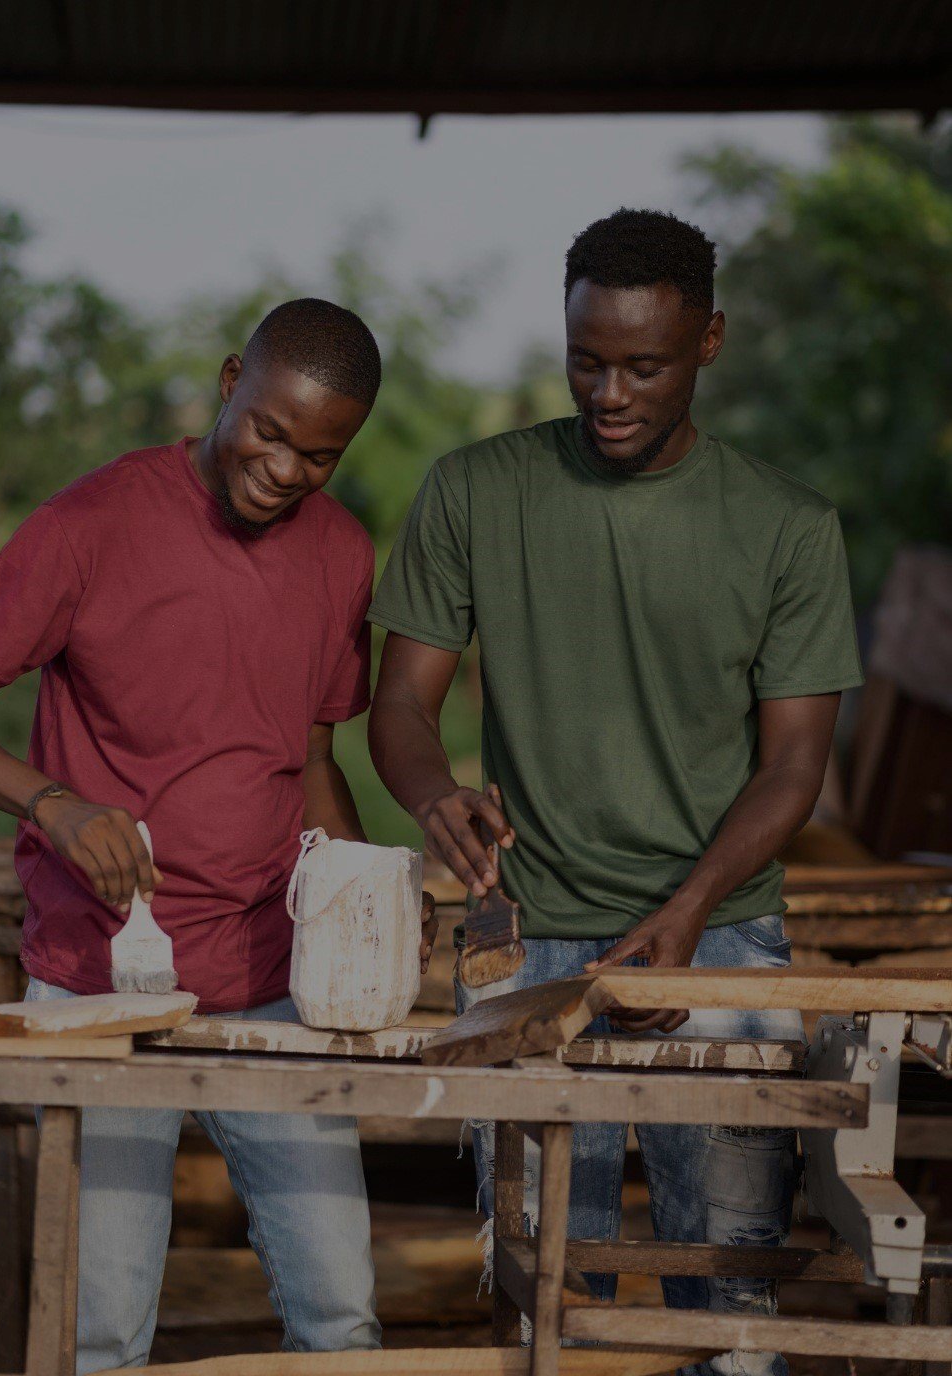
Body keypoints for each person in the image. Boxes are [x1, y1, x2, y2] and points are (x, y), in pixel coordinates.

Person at [0, 297, 436, 1372]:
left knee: (342, 1318)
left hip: (273, 985)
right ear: (231, 380)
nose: (283, 469)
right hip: (101, 989)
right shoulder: (92, 522)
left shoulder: (339, 553)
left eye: (318, 455)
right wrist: (53, 804)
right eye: (269, 431)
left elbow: (312, 757)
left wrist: (368, 901)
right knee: (101, 1331)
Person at [366, 210, 864, 1376]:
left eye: (644, 365)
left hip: (723, 943)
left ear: (711, 342)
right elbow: (400, 707)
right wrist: (434, 790)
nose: (610, 391)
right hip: (529, 944)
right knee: (548, 1296)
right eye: (587, 358)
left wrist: (688, 912)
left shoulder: (787, 526)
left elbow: (794, 766)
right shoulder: (476, 489)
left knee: (728, 1291)